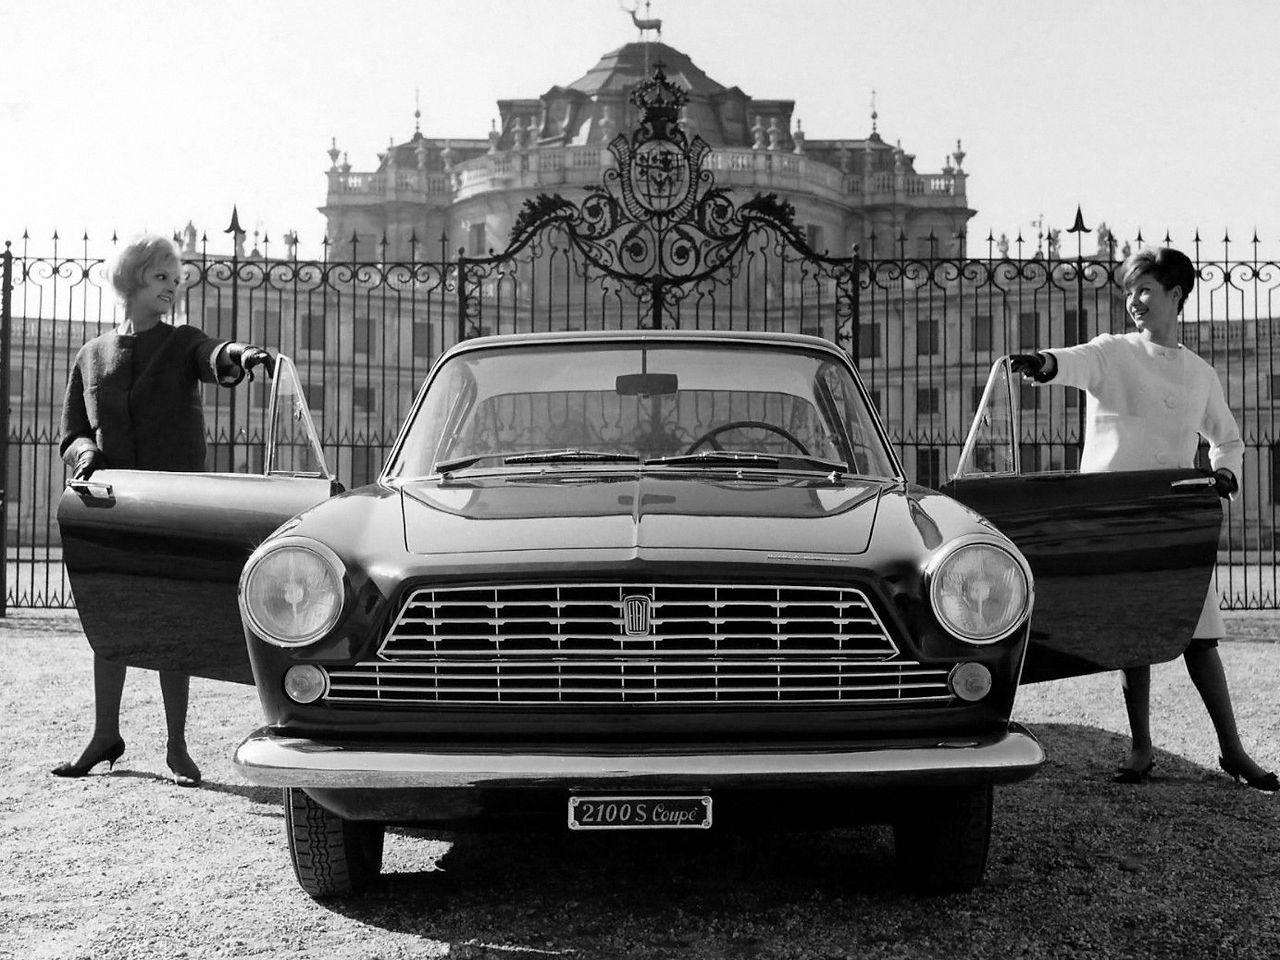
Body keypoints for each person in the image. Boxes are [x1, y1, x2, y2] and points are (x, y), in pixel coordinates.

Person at [1010, 245, 1277, 792]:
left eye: (1145, 290)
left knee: (1201, 637)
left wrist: (1225, 474)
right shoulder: (1115, 352)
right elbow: (1076, 360)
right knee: (1135, 632)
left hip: (1175, 517)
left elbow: (1228, 438)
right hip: (1116, 515)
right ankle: (1141, 747)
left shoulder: (1200, 373)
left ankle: (1233, 751)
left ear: (1175, 295)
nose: (1134, 300)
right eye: (1129, 291)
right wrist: (1045, 363)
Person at [52, 234, 274, 788]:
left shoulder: (181, 342)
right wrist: (86, 456)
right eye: (161, 277)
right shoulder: (91, 355)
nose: (173, 287)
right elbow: (73, 432)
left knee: (171, 620)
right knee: (111, 616)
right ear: (131, 280)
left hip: (173, 504)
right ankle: (105, 735)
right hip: (112, 503)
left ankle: (177, 746)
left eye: (177, 280)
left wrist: (239, 355)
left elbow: (211, 354)